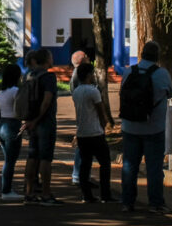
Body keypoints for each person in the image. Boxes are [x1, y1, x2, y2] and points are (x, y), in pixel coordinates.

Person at [119, 40, 172, 213]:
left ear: (142, 54)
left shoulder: (129, 72)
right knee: (154, 168)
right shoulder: (162, 74)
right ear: (157, 56)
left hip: (129, 126)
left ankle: (127, 202)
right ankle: (156, 203)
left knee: (129, 166)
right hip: (154, 128)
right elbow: (171, 94)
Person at [20, 49, 61, 205]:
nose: (53, 59)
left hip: (30, 121)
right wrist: (37, 119)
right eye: (50, 57)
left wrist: (30, 120)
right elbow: (46, 101)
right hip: (45, 122)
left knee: (32, 157)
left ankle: (29, 193)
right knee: (45, 159)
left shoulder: (28, 76)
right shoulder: (48, 77)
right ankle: (46, 194)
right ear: (46, 60)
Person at [71, 62, 114, 203]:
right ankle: (105, 194)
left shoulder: (76, 91)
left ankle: (87, 195)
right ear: (89, 75)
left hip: (82, 132)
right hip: (95, 132)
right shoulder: (93, 91)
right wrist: (104, 124)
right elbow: (100, 110)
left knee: (85, 164)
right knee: (105, 163)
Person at [0, 63, 24, 201]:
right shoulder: (15, 91)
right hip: (12, 125)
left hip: (1, 124)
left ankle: (6, 188)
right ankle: (6, 190)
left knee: (7, 160)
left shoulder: (3, 91)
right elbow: (20, 110)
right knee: (11, 161)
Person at [69, 49, 87, 185]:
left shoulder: (76, 75)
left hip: (82, 113)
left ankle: (80, 175)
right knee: (82, 145)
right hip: (84, 114)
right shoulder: (79, 76)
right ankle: (77, 175)